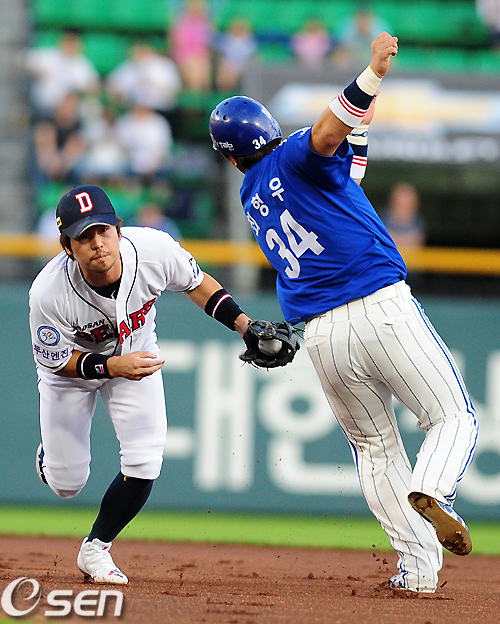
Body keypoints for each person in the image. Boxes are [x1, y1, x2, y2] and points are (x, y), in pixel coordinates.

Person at [209, 32, 478, 593]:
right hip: (380, 308)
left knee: (376, 449)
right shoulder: (293, 153)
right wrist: (371, 74)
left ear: (231, 158)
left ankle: (417, 571)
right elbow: (329, 134)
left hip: (323, 336)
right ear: (269, 130)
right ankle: (434, 488)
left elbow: (345, 175)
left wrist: (362, 122)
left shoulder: (253, 196)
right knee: (453, 418)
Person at [29, 184, 281, 584]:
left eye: (102, 230)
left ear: (118, 229)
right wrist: (113, 366)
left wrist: (244, 325)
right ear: (67, 247)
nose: (97, 242)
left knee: (145, 459)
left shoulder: (153, 249)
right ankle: (51, 457)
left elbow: (197, 283)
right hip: (75, 372)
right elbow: (58, 362)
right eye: (84, 236)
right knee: (67, 484)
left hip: (137, 352)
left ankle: (96, 548)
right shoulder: (48, 292)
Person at [24, 29, 100, 118]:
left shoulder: (82, 64)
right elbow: (23, 60)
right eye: (68, 42)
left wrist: (79, 91)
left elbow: (94, 87)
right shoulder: (48, 56)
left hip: (68, 114)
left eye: (74, 43)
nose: (70, 46)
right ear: (61, 41)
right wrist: (35, 71)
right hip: (42, 108)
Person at [106, 42, 182, 119]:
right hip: (132, 109)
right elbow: (113, 84)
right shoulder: (129, 65)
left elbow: (174, 89)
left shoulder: (164, 65)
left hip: (160, 109)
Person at [169, 0, 214, 92]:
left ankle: (203, 93)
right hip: (185, 56)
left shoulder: (205, 24)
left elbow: (208, 42)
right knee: (194, 68)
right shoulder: (181, 24)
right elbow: (178, 44)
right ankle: (194, 94)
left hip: (201, 57)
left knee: (202, 66)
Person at [214, 17, 258, 92]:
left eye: (240, 28)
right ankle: (224, 90)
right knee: (226, 69)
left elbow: (251, 56)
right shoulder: (227, 40)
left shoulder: (248, 42)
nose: (238, 30)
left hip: (243, 66)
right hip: (229, 65)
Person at [380, 182, 425, 249]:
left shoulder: (418, 222)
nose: (404, 202)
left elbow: (417, 241)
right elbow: (383, 239)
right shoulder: (383, 218)